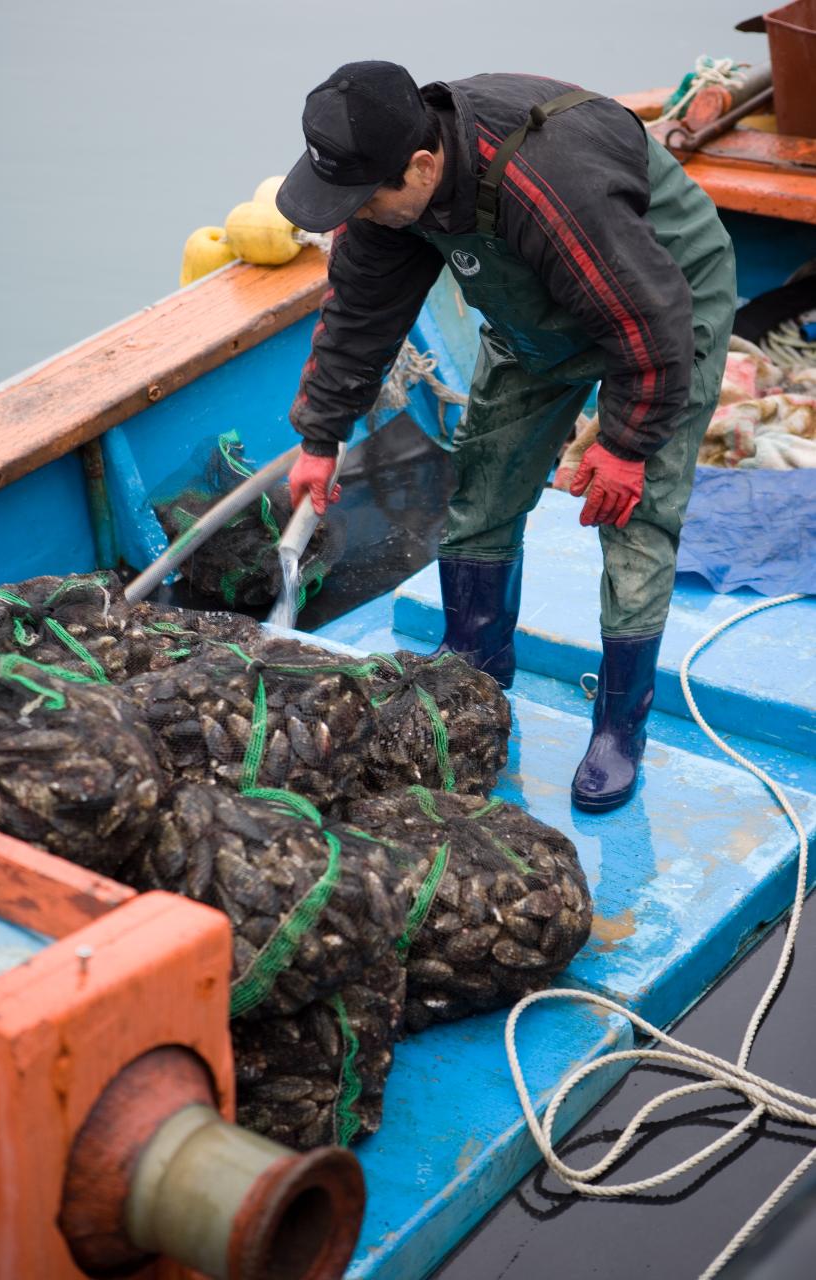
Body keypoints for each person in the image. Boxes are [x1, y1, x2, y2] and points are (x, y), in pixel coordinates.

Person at [276, 61, 736, 812]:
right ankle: (473, 670)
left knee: (632, 516)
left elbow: (649, 327)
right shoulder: (393, 192)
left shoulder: (548, 183)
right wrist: (320, 438)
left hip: (660, 306)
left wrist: (622, 446)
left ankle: (619, 726)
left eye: (366, 199)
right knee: (484, 481)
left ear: (423, 165)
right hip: (539, 314)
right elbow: (359, 319)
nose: (354, 214)